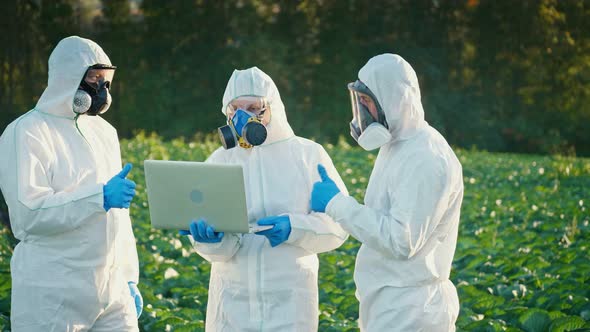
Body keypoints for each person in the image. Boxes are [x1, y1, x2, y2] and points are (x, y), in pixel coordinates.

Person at [180, 66, 349, 331]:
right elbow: (217, 249)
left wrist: (295, 227)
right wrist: (209, 241)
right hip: (233, 305)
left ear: (272, 108)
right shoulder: (220, 160)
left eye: (252, 107)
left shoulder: (307, 155)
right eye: (235, 109)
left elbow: (338, 227)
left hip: (290, 304)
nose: (243, 117)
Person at [310, 53, 464, 331]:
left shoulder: (426, 157)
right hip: (390, 301)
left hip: (413, 309)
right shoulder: (397, 144)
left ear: (392, 100)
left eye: (367, 102)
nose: (362, 113)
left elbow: (401, 241)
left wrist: (336, 205)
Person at [0, 36, 143, 331]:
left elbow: (120, 219)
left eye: (106, 81)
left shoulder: (105, 132)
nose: (102, 89)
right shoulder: (26, 132)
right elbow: (29, 215)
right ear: (68, 78)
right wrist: (98, 198)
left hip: (112, 293)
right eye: (94, 79)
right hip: (54, 294)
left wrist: (129, 275)